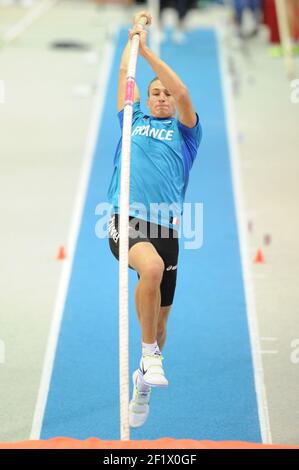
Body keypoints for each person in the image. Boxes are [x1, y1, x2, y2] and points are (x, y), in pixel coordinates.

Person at [107, 10, 202, 428]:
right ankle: (148, 356)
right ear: (145, 99)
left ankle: (143, 380)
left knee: (161, 324)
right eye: (155, 93)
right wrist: (133, 43)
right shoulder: (131, 120)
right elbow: (124, 74)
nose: (162, 97)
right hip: (125, 219)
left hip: (168, 228)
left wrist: (147, 49)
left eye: (165, 93)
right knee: (151, 267)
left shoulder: (186, 133)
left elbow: (183, 91)